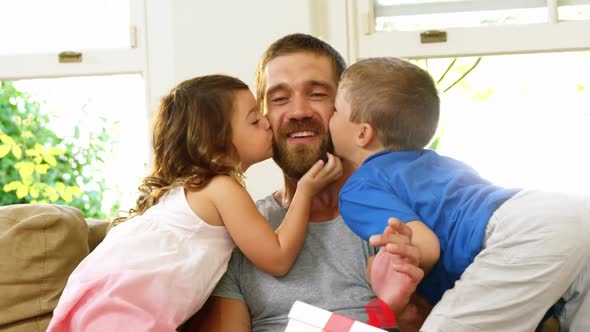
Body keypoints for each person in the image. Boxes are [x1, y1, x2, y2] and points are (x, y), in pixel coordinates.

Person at [47, 74, 344, 331]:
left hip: (101, 302)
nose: (267, 123)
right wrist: (305, 191)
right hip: (125, 310)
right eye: (254, 120)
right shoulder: (222, 188)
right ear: (217, 142)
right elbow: (277, 258)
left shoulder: (187, 191)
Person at [186, 34, 430, 332]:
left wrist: (399, 308)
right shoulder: (238, 230)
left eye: (316, 94)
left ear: (346, 107)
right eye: (279, 99)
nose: (299, 111)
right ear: (262, 118)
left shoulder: (398, 218)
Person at [329, 56, 590, 331]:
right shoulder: (442, 164)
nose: (329, 118)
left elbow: (426, 245)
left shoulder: (359, 188)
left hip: (526, 231)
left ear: (363, 134)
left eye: (334, 109)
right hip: (564, 210)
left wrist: (404, 263)